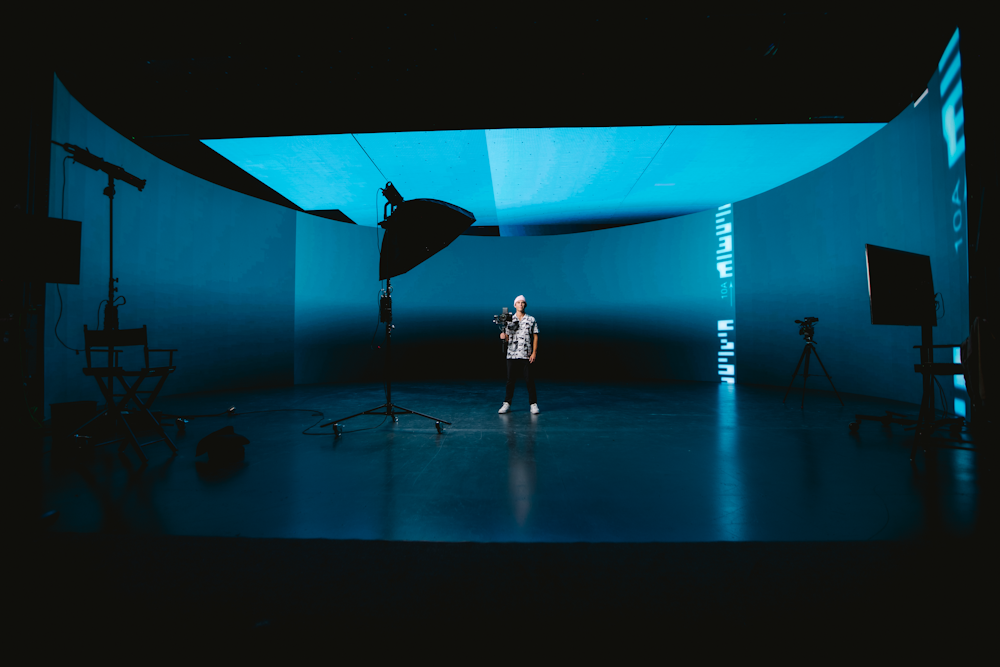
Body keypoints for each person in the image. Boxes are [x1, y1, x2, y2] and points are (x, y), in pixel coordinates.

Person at [498, 295, 539, 414]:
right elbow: (506, 338)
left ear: (525, 305)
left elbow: (535, 336)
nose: (520, 304)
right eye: (518, 302)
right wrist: (503, 337)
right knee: (510, 381)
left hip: (526, 354)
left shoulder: (531, 319)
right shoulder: (509, 319)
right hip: (512, 354)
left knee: (529, 380)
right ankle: (507, 403)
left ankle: (533, 404)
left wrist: (534, 353)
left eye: (523, 303)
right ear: (514, 305)